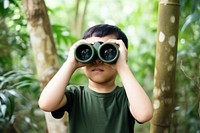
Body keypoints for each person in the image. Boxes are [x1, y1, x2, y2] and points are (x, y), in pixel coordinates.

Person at [38, 24, 153, 133]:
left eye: (106, 51)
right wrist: (71, 63)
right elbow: (46, 104)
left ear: (121, 56)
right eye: (90, 51)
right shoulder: (75, 95)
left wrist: (122, 66)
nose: (97, 60)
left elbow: (144, 114)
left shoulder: (128, 97)